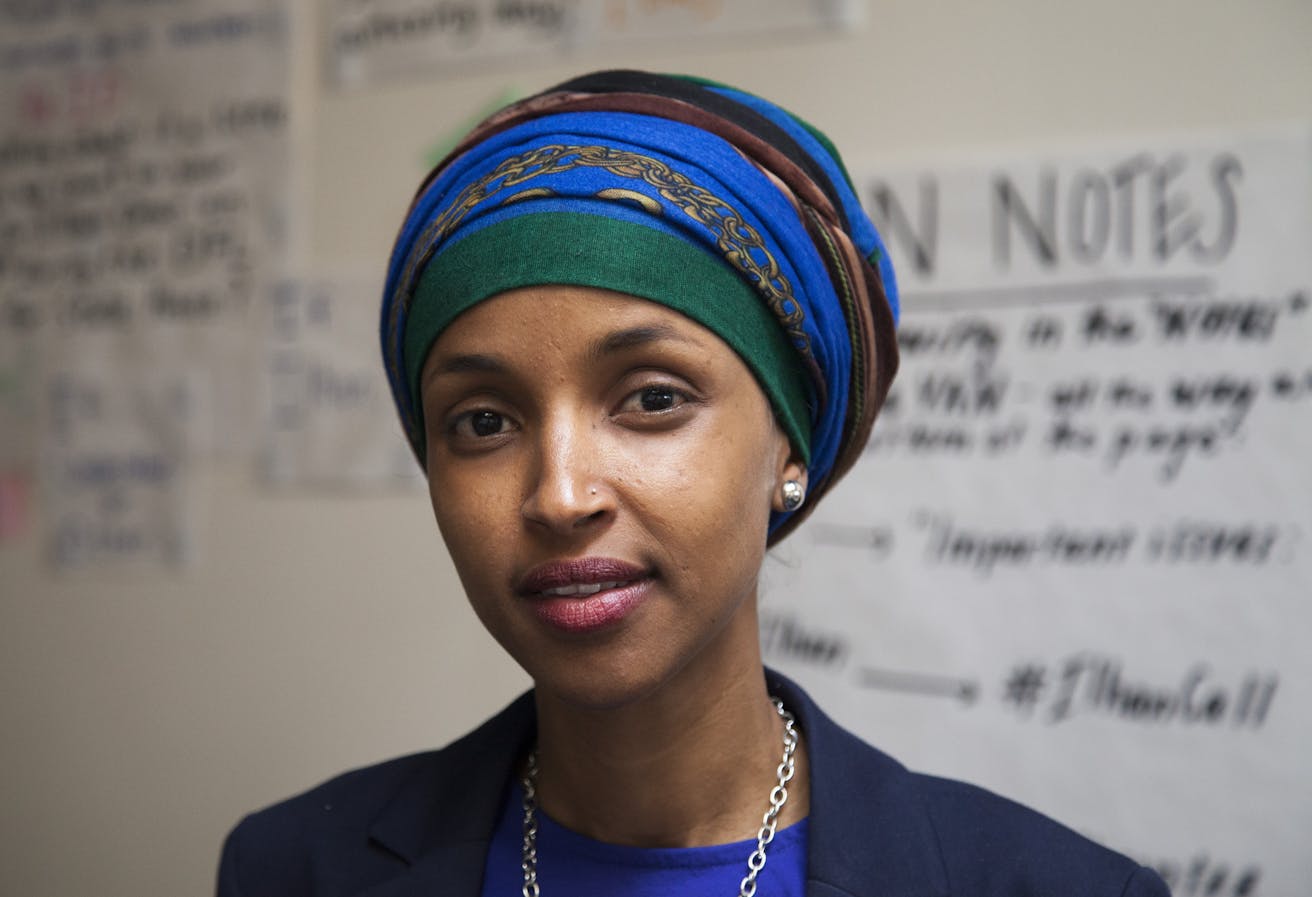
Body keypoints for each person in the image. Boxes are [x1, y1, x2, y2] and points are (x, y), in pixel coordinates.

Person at [217, 70, 1171, 897]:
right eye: (484, 421)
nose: (559, 494)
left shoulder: (1050, 883)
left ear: (788, 448)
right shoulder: (296, 866)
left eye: (653, 398)